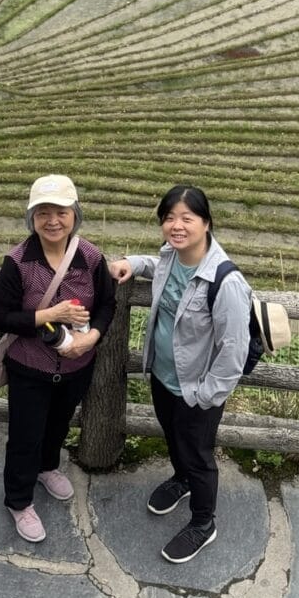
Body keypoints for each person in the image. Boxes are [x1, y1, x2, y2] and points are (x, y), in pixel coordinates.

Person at [109, 185, 250, 564]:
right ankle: (181, 480)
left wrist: (204, 396)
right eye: (169, 217)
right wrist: (134, 263)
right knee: (173, 438)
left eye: (187, 217)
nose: (176, 225)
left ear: (205, 223)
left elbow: (233, 353)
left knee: (199, 455)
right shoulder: (173, 256)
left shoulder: (226, 281)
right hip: (163, 376)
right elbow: (159, 266)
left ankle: (204, 523)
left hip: (196, 388)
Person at [0, 175, 115, 543]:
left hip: (77, 364)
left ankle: (47, 468)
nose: (52, 221)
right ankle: (18, 500)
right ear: (32, 218)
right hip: (30, 366)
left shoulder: (91, 257)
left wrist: (92, 337)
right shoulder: (18, 261)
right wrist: (51, 314)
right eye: (43, 213)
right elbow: (1, 317)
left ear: (74, 214)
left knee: (58, 426)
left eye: (60, 211)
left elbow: (107, 303)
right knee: (24, 436)